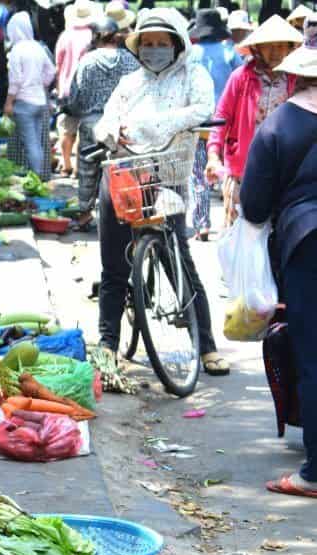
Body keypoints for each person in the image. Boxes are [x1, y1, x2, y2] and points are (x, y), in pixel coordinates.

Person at [93, 7, 230, 377]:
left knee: (179, 258)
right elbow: (105, 119)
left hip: (167, 174)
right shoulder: (130, 82)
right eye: (148, 43)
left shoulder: (193, 75)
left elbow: (203, 108)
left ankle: (206, 345)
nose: (154, 49)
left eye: (161, 43)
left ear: (176, 44)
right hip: (124, 175)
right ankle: (107, 343)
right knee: (114, 266)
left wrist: (154, 126)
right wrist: (111, 131)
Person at [241, 35, 317, 497]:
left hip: (307, 246)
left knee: (313, 355)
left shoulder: (278, 125)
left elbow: (253, 204)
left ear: (295, 76)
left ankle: (313, 473)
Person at [205, 16, 302, 225]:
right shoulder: (240, 77)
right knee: (238, 237)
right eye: (269, 46)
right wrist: (213, 155)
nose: (275, 51)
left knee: (279, 238)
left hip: (284, 173)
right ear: (257, 48)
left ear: (289, 49)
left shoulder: (296, 81)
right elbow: (221, 118)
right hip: (243, 171)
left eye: (280, 46)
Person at [67, 18, 140, 227]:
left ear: (96, 37)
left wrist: (73, 110)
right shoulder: (130, 60)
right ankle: (125, 212)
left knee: (87, 168)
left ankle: (84, 214)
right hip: (122, 125)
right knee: (122, 168)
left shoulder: (88, 61)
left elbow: (76, 95)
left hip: (93, 123)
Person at [187, 8, 245, 240]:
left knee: (199, 175)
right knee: (227, 172)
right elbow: (241, 81)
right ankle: (229, 220)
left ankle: (201, 224)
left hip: (199, 123)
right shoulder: (230, 52)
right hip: (225, 123)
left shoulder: (191, 54)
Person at [4, 11, 57, 178]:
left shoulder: (16, 50)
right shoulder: (37, 47)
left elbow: (15, 80)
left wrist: (8, 102)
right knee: (37, 143)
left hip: (24, 103)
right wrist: (39, 84)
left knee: (30, 143)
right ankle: (40, 177)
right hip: (39, 101)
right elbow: (51, 71)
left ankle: (37, 178)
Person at [55, 0, 100, 176]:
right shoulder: (92, 36)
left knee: (67, 129)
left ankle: (66, 164)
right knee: (84, 128)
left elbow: (58, 64)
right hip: (87, 89)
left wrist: (59, 87)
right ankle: (77, 167)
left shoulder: (65, 36)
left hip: (66, 88)